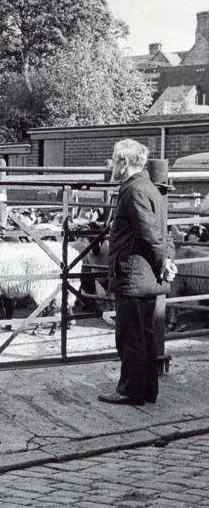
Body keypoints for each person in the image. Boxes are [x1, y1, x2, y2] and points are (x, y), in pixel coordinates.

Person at [98, 139, 176, 406]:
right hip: (146, 275)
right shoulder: (150, 187)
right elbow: (165, 231)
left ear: (124, 162)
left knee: (130, 336)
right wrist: (167, 259)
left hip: (134, 274)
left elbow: (149, 232)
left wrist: (164, 260)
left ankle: (130, 391)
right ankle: (147, 390)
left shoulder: (133, 191)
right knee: (145, 334)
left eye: (114, 159)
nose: (111, 164)